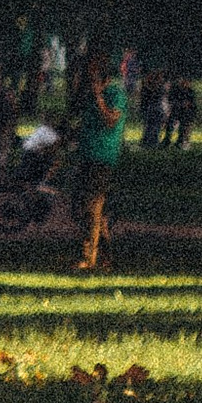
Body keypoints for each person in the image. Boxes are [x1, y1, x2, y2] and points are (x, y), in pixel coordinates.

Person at [68, 40, 126, 271]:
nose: (88, 74)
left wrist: (99, 97)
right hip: (86, 155)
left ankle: (89, 258)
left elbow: (111, 121)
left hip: (102, 158)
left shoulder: (114, 93)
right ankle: (105, 257)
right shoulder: (91, 94)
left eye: (92, 70)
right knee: (84, 208)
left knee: (93, 208)